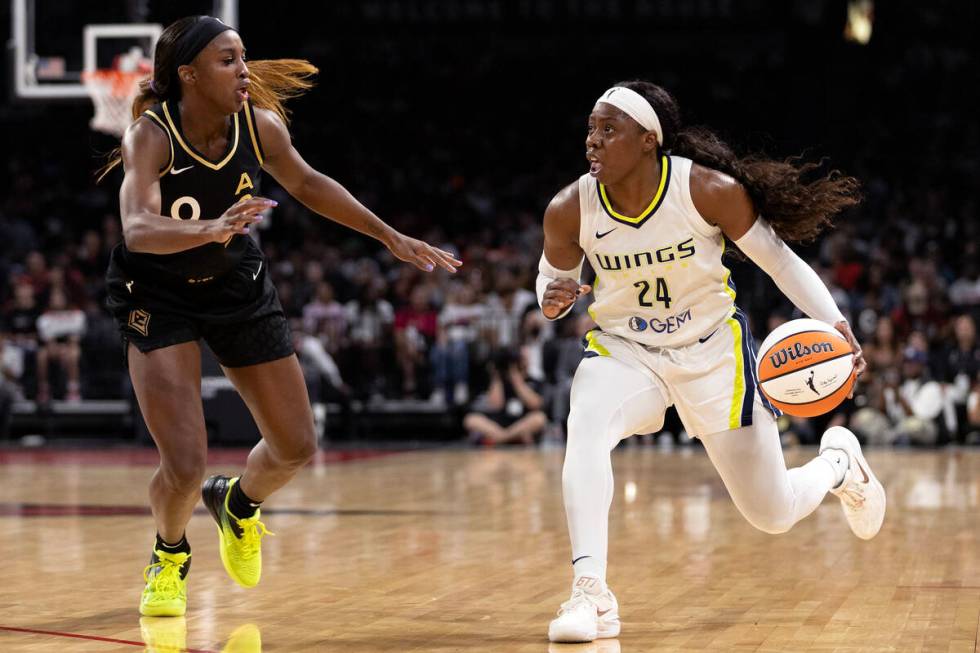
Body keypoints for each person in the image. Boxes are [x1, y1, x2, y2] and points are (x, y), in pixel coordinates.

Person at [101, 16, 461, 618]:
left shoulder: (259, 125)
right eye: (226, 59)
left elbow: (309, 182)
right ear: (188, 74)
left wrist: (388, 235)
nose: (244, 69)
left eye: (243, 56)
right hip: (157, 294)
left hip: (237, 286)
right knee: (184, 465)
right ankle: (169, 554)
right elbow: (137, 230)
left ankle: (238, 504)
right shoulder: (151, 135)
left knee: (296, 445)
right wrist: (210, 228)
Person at [537, 81, 883, 643]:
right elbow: (549, 282)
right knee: (586, 425)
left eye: (608, 129)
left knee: (771, 513)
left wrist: (837, 324)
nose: (592, 142)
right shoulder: (569, 206)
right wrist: (550, 298)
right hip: (627, 350)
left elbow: (782, 263)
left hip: (712, 352)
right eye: (590, 129)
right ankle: (590, 593)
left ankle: (839, 466)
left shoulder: (705, 191)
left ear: (649, 140)